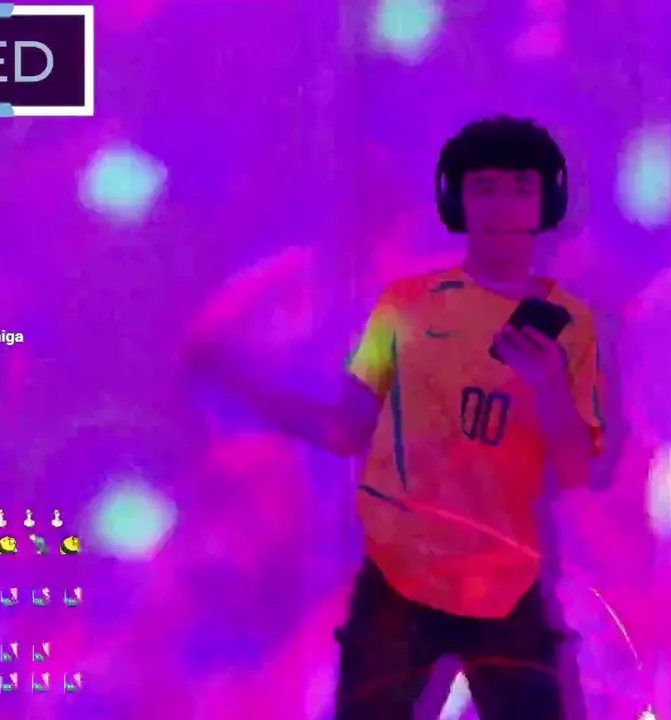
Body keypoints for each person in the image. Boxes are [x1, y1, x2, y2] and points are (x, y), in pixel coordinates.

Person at [188, 116, 606, 719]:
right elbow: (336, 423)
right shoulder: (393, 305)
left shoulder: (545, 317)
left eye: (518, 193)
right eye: (485, 192)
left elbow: (573, 460)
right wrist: (252, 388)